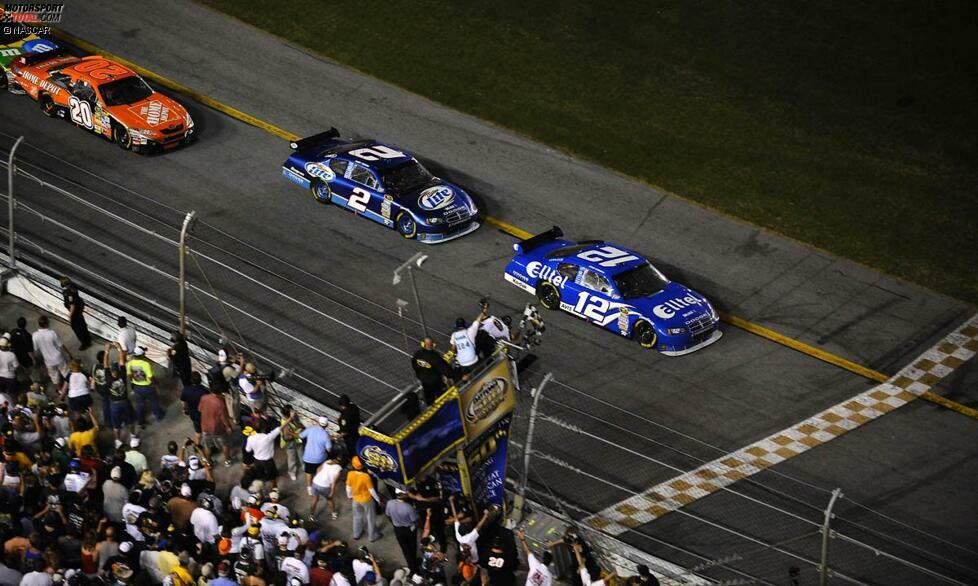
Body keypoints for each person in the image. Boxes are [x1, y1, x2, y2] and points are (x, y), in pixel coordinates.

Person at [245, 414, 292, 489]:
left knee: (260, 476)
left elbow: (248, 450)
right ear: (264, 428)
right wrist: (290, 418)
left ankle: (262, 489)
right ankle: (274, 489)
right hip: (268, 461)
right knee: (272, 476)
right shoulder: (268, 437)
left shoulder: (250, 438)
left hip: (257, 461)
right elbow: (281, 427)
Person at [346, 456, 381, 541]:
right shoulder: (366, 476)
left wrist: (349, 496)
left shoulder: (350, 474)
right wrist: (377, 499)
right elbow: (371, 490)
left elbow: (348, 487)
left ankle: (356, 534)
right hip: (367, 500)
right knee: (370, 518)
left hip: (355, 499)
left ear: (353, 465)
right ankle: (372, 536)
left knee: (357, 517)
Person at [127, 346, 164, 425]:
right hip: (148, 387)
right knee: (154, 401)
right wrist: (156, 384)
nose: (145, 354)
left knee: (140, 404)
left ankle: (140, 421)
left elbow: (129, 376)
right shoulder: (145, 364)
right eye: (144, 353)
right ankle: (158, 416)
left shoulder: (129, 364)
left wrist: (135, 381)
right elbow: (151, 377)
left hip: (137, 387)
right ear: (141, 355)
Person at [199, 384, 234, 467]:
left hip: (205, 427)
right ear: (220, 392)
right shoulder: (220, 403)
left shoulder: (204, 398)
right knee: (225, 444)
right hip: (217, 429)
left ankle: (209, 462)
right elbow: (224, 419)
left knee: (207, 446)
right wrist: (229, 427)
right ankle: (227, 461)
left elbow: (200, 409)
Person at [386, 488, 419, 573]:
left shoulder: (390, 503)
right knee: (412, 547)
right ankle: (414, 566)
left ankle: (412, 565)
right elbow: (414, 520)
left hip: (398, 529)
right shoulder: (408, 507)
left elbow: (388, 515)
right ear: (402, 495)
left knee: (405, 549)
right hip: (409, 530)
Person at [31, 315, 71, 386]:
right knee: (65, 372)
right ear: (46, 324)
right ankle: (70, 385)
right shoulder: (52, 333)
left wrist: (34, 358)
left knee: (54, 377)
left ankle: (59, 390)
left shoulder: (35, 335)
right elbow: (60, 345)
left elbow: (35, 349)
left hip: (48, 361)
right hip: (58, 358)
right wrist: (68, 353)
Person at [411, 337, 452, 405]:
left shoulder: (417, 354)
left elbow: (414, 365)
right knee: (443, 397)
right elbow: (445, 369)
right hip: (436, 381)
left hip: (425, 382)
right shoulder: (435, 356)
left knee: (430, 399)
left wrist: (420, 375)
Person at [300, 416, 332, 496]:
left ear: (318, 422)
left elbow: (300, 436)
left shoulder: (311, 429)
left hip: (308, 457)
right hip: (320, 459)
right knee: (319, 471)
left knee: (309, 473)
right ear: (326, 425)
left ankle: (309, 489)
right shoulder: (326, 435)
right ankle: (317, 485)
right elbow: (329, 450)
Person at [450, 307, 487, 375]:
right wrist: (484, 310)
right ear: (465, 325)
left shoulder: (454, 335)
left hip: (462, 362)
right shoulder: (470, 331)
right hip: (472, 359)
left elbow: (453, 348)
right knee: (484, 368)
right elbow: (477, 320)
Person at [451, 497, 489, 564]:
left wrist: (452, 503)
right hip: (476, 557)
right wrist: (485, 515)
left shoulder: (458, 536)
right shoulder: (468, 538)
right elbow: (478, 527)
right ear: (466, 533)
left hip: (470, 550)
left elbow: (455, 518)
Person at [61, 276, 92, 350]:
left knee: (77, 328)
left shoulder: (68, 292)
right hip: (79, 310)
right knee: (83, 325)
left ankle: (84, 343)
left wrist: (70, 316)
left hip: (75, 312)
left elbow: (72, 305)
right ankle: (88, 339)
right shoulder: (73, 287)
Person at [180, 372, 209, 445]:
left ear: (191, 380)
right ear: (200, 380)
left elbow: (183, 401)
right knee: (208, 433)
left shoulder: (186, 390)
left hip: (194, 415)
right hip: (204, 415)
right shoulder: (204, 391)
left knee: (198, 433)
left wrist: (184, 409)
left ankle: (197, 445)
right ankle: (210, 445)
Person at [280, 405, 304, 482]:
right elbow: (287, 437)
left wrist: (299, 429)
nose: (293, 412)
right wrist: (296, 433)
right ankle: (292, 472)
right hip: (289, 443)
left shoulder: (294, 418)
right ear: (288, 414)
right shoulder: (285, 424)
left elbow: (299, 424)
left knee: (301, 454)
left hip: (297, 440)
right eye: (291, 411)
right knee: (292, 459)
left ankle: (304, 467)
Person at [335, 394, 360, 459]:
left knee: (351, 450)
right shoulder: (354, 407)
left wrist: (336, 437)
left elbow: (345, 432)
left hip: (349, 437)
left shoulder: (345, 417)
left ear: (342, 405)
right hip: (355, 432)